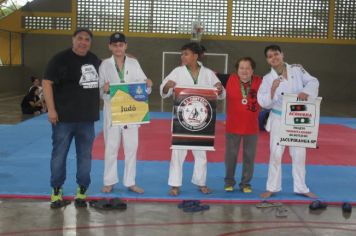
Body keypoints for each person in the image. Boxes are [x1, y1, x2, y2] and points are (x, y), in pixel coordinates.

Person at [43, 28, 101, 208]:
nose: (83, 42)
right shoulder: (59, 59)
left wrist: (129, 57)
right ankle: (56, 190)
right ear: (73, 39)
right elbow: (46, 83)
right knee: (59, 155)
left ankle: (82, 191)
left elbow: (113, 65)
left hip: (87, 120)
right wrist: (51, 110)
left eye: (87, 40)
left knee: (85, 157)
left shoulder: (95, 60)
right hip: (63, 119)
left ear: (90, 43)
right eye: (80, 38)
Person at [160, 42, 225, 196]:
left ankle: (201, 182)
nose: (183, 56)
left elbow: (221, 93)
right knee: (177, 153)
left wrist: (220, 88)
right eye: (182, 54)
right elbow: (164, 91)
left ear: (195, 56)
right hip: (181, 119)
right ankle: (175, 184)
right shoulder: (177, 71)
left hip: (202, 121)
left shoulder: (208, 73)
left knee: (201, 153)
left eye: (186, 54)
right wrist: (167, 86)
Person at [257, 45, 319, 199]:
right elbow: (263, 103)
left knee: (299, 154)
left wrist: (306, 92)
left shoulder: (297, 69)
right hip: (278, 118)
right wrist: (272, 90)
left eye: (276, 54)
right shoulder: (267, 78)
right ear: (267, 60)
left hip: (298, 118)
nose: (274, 58)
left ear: (282, 54)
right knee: (276, 154)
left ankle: (301, 187)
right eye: (270, 56)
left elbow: (313, 81)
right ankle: (272, 187)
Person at [99, 32, 153, 194]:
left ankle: (130, 182)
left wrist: (148, 84)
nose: (118, 48)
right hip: (113, 111)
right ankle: (109, 181)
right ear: (110, 46)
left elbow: (144, 87)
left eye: (121, 45)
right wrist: (104, 89)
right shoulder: (104, 65)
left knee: (131, 148)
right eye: (114, 45)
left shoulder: (134, 63)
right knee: (111, 148)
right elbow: (100, 90)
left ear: (125, 46)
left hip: (131, 112)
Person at [224, 57, 262, 193]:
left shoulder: (260, 81)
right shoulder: (228, 79)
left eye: (247, 68)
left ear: (252, 70)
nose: (244, 71)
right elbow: (209, 75)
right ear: (237, 69)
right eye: (241, 68)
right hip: (232, 126)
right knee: (230, 157)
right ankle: (229, 181)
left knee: (249, 157)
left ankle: (245, 183)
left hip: (251, 127)